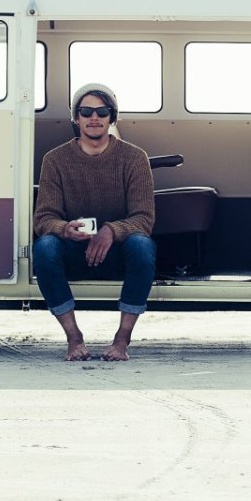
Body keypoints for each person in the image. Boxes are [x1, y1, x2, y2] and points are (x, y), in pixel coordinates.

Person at [32, 83, 156, 361]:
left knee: (142, 245)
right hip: (74, 250)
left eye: (102, 111)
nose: (94, 117)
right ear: (76, 117)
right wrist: (64, 229)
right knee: (44, 246)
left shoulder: (135, 158)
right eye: (86, 111)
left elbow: (144, 218)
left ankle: (122, 340)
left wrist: (111, 230)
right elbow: (43, 218)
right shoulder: (55, 160)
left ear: (113, 117)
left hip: (118, 253)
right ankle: (74, 338)